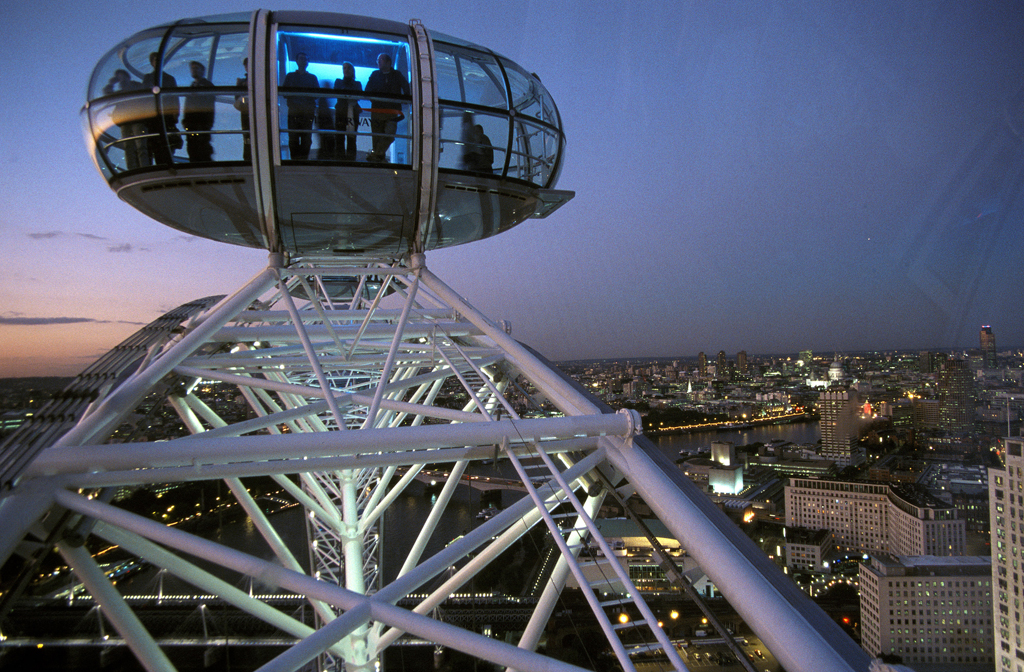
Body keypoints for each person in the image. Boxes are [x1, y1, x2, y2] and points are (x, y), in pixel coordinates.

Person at [364, 53, 409, 162]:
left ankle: (375, 155)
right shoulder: (375, 74)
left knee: (389, 135)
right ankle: (378, 161)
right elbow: (367, 90)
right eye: (377, 60)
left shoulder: (397, 75)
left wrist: (405, 99)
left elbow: (406, 87)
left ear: (388, 62)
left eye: (381, 60)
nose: (378, 62)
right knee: (377, 138)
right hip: (377, 111)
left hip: (391, 111)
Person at [141, 52, 181, 165]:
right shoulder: (148, 78)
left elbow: (174, 97)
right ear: (152, 63)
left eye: (159, 60)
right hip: (152, 117)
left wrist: (175, 114)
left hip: (166, 115)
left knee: (166, 144)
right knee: (153, 143)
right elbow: (144, 98)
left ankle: (165, 165)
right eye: (155, 60)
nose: (158, 62)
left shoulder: (169, 78)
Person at [103, 69, 147, 170]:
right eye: (119, 77)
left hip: (137, 119)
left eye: (122, 76)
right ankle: (132, 168)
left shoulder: (136, 86)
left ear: (127, 77)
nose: (121, 79)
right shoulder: (121, 92)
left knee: (141, 145)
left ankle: (144, 167)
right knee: (128, 147)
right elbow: (107, 94)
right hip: (124, 122)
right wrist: (111, 83)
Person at [281, 52, 318, 160]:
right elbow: (284, 93)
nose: (303, 61)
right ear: (297, 61)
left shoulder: (310, 77)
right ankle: (297, 162)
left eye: (304, 59)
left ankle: (301, 161)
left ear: (308, 62)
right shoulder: (291, 76)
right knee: (295, 138)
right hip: (296, 112)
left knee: (305, 139)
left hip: (303, 112)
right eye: (301, 58)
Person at [182, 61, 215, 162]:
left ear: (202, 71)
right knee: (193, 149)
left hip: (202, 123)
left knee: (202, 149)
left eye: (196, 68)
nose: (193, 70)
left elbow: (209, 104)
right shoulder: (192, 86)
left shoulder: (207, 85)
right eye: (192, 68)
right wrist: (185, 120)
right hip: (191, 124)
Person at [334, 61, 362, 161]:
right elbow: (338, 93)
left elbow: (358, 95)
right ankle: (340, 160)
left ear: (352, 70)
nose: (346, 70)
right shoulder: (338, 82)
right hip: (342, 111)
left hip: (351, 112)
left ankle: (351, 160)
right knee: (339, 138)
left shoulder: (357, 83)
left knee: (352, 138)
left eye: (348, 68)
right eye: (344, 68)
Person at [234, 57, 250, 161]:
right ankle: (248, 156)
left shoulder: (243, 81)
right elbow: (236, 97)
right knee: (247, 135)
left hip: (247, 111)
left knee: (248, 134)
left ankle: (248, 156)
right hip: (246, 111)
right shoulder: (242, 81)